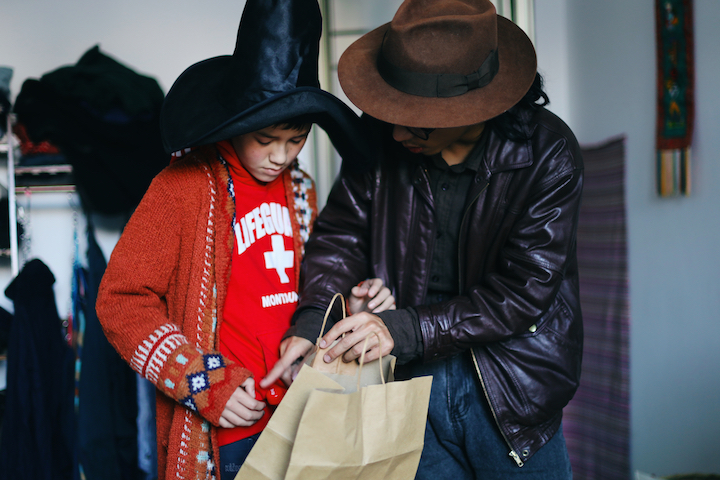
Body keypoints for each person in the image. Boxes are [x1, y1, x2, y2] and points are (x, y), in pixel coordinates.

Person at [262, 0, 584, 478]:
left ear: (471, 108)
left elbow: (522, 291)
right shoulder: (381, 137)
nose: (394, 131)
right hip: (402, 376)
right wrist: (312, 322)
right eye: (392, 109)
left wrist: (402, 329)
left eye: (414, 117)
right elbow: (341, 236)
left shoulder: (549, 154)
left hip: (512, 384)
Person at [95, 1, 395, 480]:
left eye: (296, 139)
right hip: (228, 431)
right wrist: (202, 381)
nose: (281, 156)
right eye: (265, 138)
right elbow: (120, 300)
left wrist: (348, 307)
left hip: (303, 413)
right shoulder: (182, 188)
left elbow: (298, 292)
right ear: (235, 123)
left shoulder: (301, 189)